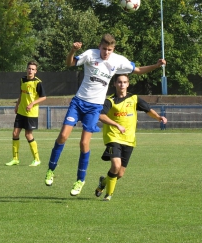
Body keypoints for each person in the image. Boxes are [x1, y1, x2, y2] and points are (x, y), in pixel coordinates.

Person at [44, 33, 166, 196]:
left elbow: (137, 70)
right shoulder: (90, 54)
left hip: (95, 107)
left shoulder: (118, 60)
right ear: (99, 46)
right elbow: (70, 63)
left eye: (109, 50)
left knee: (84, 144)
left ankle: (80, 180)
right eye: (103, 49)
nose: (106, 52)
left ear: (113, 49)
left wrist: (156, 66)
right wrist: (72, 51)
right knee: (63, 137)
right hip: (79, 102)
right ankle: (51, 169)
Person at [95, 74, 167, 201]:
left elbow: (148, 109)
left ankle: (103, 182)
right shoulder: (110, 101)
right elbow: (101, 116)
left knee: (120, 173)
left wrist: (158, 117)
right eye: (119, 82)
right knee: (116, 166)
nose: (122, 84)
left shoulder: (134, 99)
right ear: (115, 84)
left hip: (129, 140)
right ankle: (108, 195)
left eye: (124, 82)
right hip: (113, 138)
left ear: (128, 84)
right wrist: (116, 124)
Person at [6, 60, 46, 166]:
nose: (30, 71)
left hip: (31, 113)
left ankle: (37, 159)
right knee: (15, 133)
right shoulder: (22, 80)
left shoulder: (38, 83)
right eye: (29, 68)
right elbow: (21, 94)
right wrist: (17, 105)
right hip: (21, 111)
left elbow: (43, 97)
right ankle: (15, 158)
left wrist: (32, 103)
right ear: (26, 69)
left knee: (28, 135)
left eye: (33, 69)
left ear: (36, 71)